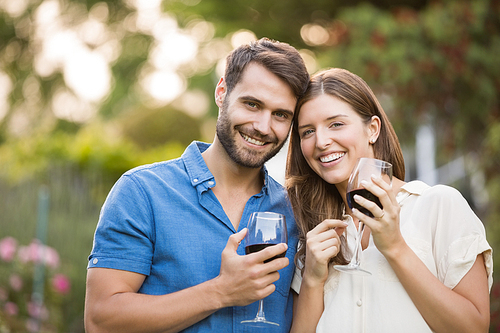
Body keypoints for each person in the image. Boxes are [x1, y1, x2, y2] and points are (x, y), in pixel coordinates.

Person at [84, 37, 310, 333]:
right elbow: (101, 320)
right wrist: (221, 292)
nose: (263, 127)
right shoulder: (142, 192)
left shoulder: (296, 211)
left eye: (280, 115)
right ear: (221, 92)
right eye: (252, 104)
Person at [285, 68, 493, 333]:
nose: (322, 141)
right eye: (307, 132)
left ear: (372, 129)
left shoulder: (438, 206)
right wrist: (313, 279)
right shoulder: (312, 234)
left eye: (336, 124)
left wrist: (395, 248)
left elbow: (474, 328)